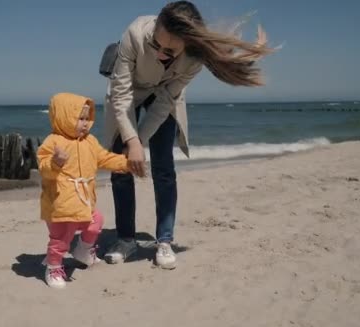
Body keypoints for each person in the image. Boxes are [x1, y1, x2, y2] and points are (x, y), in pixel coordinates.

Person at [103, 1, 274, 269]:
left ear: (187, 44)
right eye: (156, 45)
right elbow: (121, 94)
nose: (160, 54)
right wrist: (131, 141)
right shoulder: (135, 33)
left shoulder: (194, 59)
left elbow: (163, 103)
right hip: (128, 96)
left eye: (169, 51)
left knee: (164, 169)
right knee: (121, 166)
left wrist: (141, 141)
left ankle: (164, 240)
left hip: (164, 97)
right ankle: (126, 239)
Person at [37, 92, 129, 289]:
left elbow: (104, 158)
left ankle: (84, 250)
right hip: (60, 204)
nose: (85, 123)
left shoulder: (90, 141)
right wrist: (55, 162)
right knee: (61, 238)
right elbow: (44, 168)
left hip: (83, 201)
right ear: (64, 117)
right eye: (80, 118)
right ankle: (53, 267)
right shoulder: (53, 142)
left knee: (96, 221)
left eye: (88, 119)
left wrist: (126, 163)